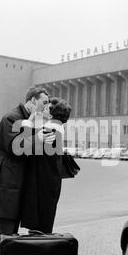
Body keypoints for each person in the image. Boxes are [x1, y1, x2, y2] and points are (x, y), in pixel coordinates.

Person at [0, 86, 55, 255]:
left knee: (13, 224)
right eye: (44, 102)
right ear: (31, 101)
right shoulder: (11, 118)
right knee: (7, 225)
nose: (46, 106)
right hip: (8, 179)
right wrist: (39, 140)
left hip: (19, 179)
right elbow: (16, 147)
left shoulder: (31, 118)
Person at [19, 97, 75, 233]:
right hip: (51, 183)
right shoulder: (59, 129)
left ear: (50, 115)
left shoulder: (49, 130)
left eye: (45, 108)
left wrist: (29, 119)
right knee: (46, 223)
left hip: (41, 185)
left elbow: (24, 144)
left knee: (39, 228)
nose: (42, 110)